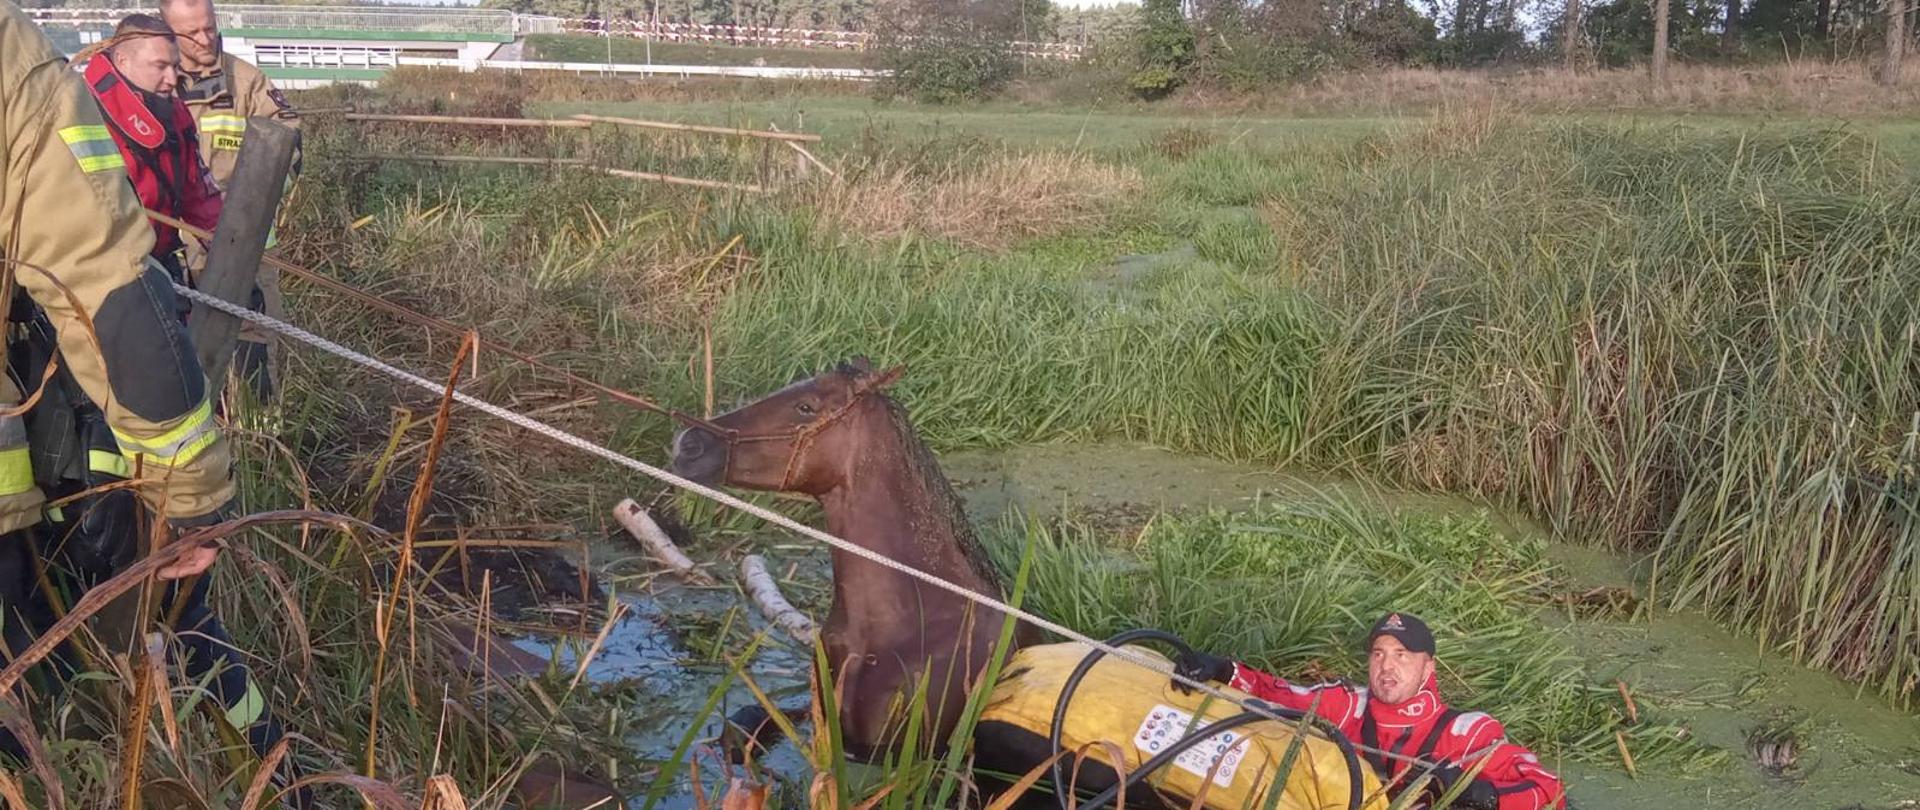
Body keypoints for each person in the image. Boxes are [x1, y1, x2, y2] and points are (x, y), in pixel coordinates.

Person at [1, 4, 307, 805]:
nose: (180, 69)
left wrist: (224, 263)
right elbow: (97, 269)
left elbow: (200, 203)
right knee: (116, 590)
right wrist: (190, 492)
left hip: (149, 322)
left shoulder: (209, 97)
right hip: (89, 367)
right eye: (164, 59)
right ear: (122, 56)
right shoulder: (41, 81)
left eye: (188, 52)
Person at [1172, 612, 1566, 810]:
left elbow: (1550, 792)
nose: (1386, 666)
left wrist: (1481, 793)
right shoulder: (1344, 705)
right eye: (1378, 654)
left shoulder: (1467, 733)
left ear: (1429, 667)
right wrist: (1223, 670)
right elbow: (1279, 692)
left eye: (1402, 655)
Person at [161, 0, 299, 400]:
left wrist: (249, 212)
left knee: (254, 348)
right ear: (168, 32)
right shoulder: (156, 83)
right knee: (177, 351)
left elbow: (290, 143)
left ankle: (260, 441)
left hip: (247, 247)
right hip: (175, 247)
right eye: (192, 33)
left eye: (209, 27)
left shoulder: (247, 81)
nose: (205, 39)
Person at [80, 14, 222, 300]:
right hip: (102, 276)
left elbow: (199, 196)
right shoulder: (81, 111)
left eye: (174, 67)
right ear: (122, 61)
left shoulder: (176, 114)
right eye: (160, 67)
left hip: (163, 264)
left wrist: (233, 260)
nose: (171, 79)